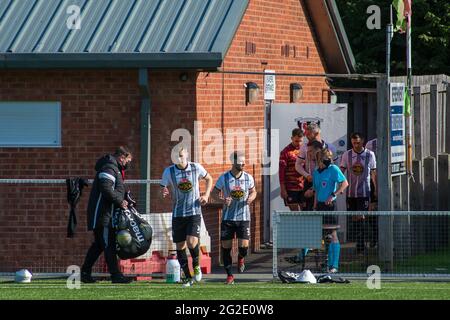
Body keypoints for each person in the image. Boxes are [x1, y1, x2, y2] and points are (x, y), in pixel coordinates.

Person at [160, 146, 213, 287]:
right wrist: (164, 191)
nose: (180, 158)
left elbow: (209, 179)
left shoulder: (196, 168)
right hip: (178, 213)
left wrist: (206, 195)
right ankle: (188, 277)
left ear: (187, 155)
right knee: (180, 245)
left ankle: (196, 266)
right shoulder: (169, 171)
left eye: (182, 155)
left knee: (192, 241)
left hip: (194, 211)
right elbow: (162, 188)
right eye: (177, 156)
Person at [81, 146, 133, 284]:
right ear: (122, 157)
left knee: (99, 245)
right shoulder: (109, 168)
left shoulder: (113, 168)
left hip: (106, 214)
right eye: (128, 160)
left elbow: (114, 189)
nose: (128, 163)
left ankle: (85, 273)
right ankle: (115, 275)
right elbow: (106, 189)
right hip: (102, 215)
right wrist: (120, 201)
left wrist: (125, 198)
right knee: (108, 245)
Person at [211, 151, 257, 285]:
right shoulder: (224, 178)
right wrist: (223, 200)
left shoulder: (248, 178)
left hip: (244, 217)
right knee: (226, 247)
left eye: (244, 161)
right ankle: (230, 276)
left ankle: (241, 258)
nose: (243, 163)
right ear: (233, 162)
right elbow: (214, 194)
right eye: (240, 161)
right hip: (227, 218)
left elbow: (253, 191)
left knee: (244, 246)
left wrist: (251, 198)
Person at [313, 148, 348, 273]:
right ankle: (325, 262)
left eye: (330, 158)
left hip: (330, 206)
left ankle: (334, 265)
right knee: (319, 235)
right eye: (326, 158)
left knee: (333, 234)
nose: (329, 160)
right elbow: (317, 190)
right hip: (320, 206)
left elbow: (344, 183)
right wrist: (315, 206)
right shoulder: (316, 172)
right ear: (320, 159)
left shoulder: (333, 169)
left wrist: (333, 195)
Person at [340, 133, 377, 253]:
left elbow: (373, 174)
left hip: (365, 192)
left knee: (362, 217)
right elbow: (341, 172)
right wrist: (339, 187)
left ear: (363, 141)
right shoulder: (347, 154)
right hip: (351, 193)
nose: (356, 145)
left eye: (358, 142)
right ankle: (361, 243)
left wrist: (375, 192)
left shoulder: (369, 154)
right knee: (355, 218)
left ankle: (361, 245)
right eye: (354, 142)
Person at [279, 128, 305, 211]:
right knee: (295, 216)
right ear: (292, 138)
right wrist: (283, 189)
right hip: (290, 188)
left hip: (304, 187)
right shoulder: (285, 152)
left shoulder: (305, 150)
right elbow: (281, 172)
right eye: (296, 141)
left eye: (300, 141)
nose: (299, 143)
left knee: (306, 214)